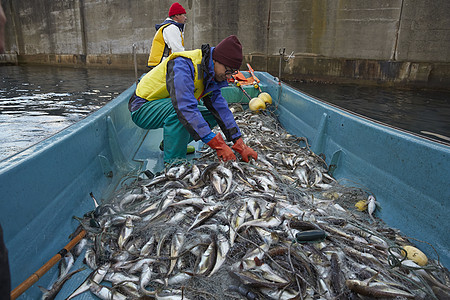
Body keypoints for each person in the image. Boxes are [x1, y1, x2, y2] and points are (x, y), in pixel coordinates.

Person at [130, 35, 258, 164]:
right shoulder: (183, 64)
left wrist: (239, 142)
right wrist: (217, 145)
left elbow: (220, 109)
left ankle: (171, 144)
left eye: (233, 72)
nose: (228, 76)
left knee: (213, 115)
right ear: (215, 61)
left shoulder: (211, 74)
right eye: (228, 71)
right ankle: (174, 165)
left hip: (166, 105)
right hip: (143, 108)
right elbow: (184, 107)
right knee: (183, 111)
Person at [147, 2, 187, 68]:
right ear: (177, 15)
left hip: (159, 64)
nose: (185, 18)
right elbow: (177, 50)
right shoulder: (171, 28)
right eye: (183, 15)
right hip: (163, 65)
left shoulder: (168, 27)